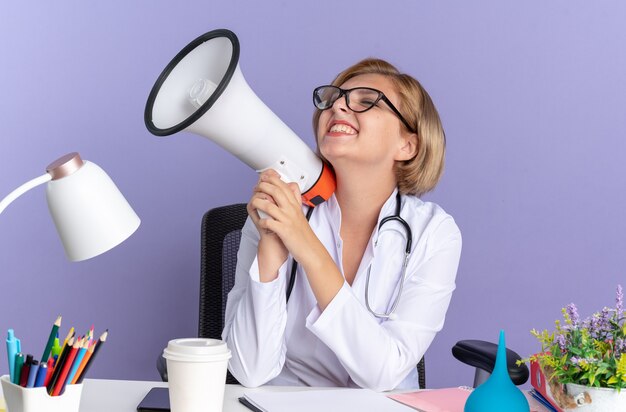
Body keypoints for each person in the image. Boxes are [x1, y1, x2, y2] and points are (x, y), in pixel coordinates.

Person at [222, 58, 462, 391]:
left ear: (407, 145)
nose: (337, 107)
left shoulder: (434, 233)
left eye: (367, 102)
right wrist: (270, 256)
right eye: (332, 99)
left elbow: (383, 375)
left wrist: (305, 245)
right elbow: (249, 371)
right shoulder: (278, 213)